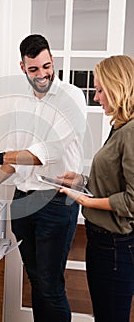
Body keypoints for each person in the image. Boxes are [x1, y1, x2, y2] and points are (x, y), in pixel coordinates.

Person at [0, 34, 86, 321]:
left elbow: (48, 152)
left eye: (46, 66)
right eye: (34, 69)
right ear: (22, 67)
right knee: (36, 281)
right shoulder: (22, 104)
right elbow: (19, 156)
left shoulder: (72, 97)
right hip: (22, 202)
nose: (43, 75)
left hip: (55, 202)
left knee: (51, 286)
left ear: (53, 61)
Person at [58, 55, 134, 322]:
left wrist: (86, 202)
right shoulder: (120, 127)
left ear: (118, 88)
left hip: (115, 246)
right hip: (102, 242)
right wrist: (80, 181)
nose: (96, 97)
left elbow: (131, 201)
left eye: (101, 90)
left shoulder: (131, 132)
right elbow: (113, 181)